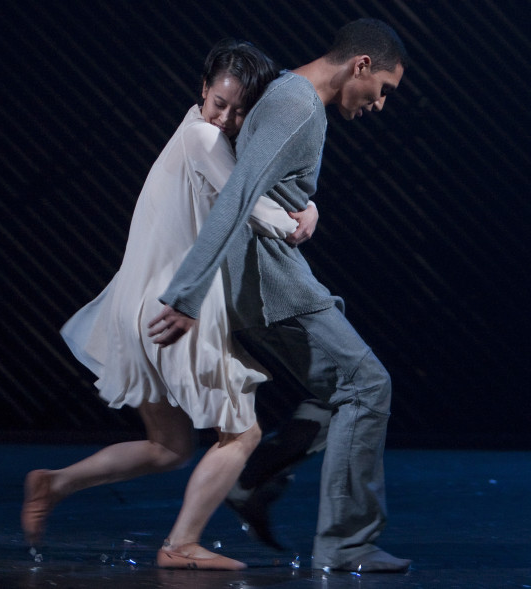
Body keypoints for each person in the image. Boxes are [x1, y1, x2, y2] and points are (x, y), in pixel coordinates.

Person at [21, 39, 319, 571]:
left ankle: (55, 483)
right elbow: (243, 199)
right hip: (174, 310)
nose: (226, 119)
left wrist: (298, 203)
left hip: (133, 309)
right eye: (219, 104)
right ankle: (180, 544)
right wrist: (298, 220)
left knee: (169, 446)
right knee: (242, 433)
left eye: (239, 110)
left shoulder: (192, 133)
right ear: (202, 92)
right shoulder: (203, 137)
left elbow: (246, 185)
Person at [148, 18, 412, 573]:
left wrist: (307, 207)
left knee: (334, 390)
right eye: (383, 89)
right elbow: (238, 191)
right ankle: (346, 542)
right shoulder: (296, 102)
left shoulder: (293, 97)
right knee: (367, 384)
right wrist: (188, 293)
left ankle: (259, 478)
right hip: (273, 282)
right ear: (361, 64)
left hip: (269, 275)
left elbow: (266, 185)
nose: (380, 103)